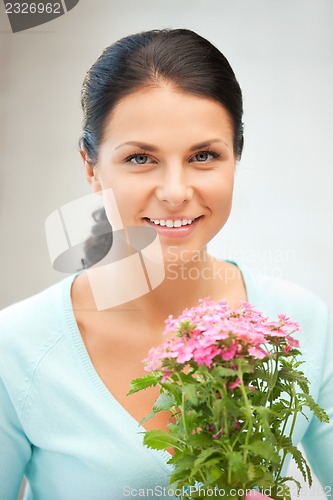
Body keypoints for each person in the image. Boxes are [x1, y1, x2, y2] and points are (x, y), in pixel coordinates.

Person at [0, 28, 332, 500]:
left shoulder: (301, 325)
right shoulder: (17, 347)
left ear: (236, 157)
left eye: (203, 155)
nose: (175, 192)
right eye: (141, 158)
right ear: (91, 167)